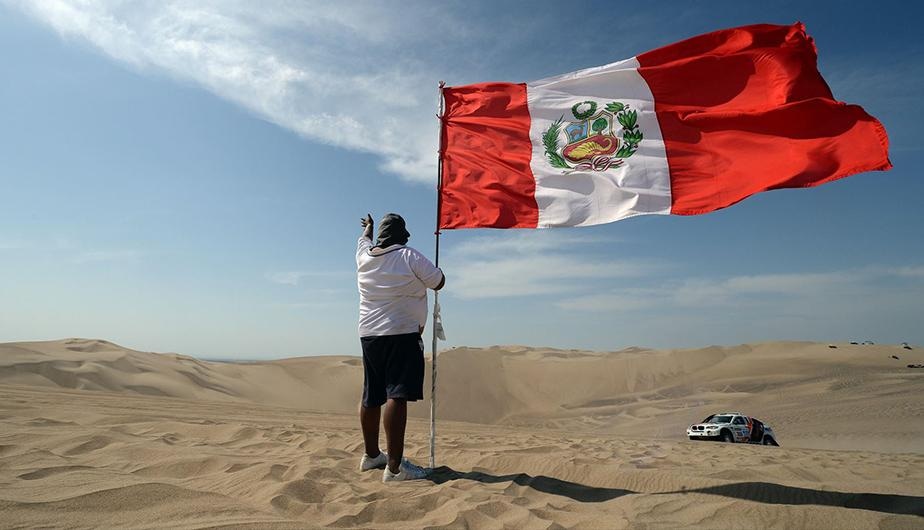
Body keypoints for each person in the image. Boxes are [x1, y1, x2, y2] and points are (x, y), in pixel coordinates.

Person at [356, 212, 445, 482]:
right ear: (402, 236)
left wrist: (368, 229)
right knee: (397, 394)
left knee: (371, 394)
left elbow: (362, 240)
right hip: (401, 333)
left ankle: (372, 455)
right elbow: (438, 281)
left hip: (369, 334)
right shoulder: (408, 256)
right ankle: (395, 468)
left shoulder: (363, 256)